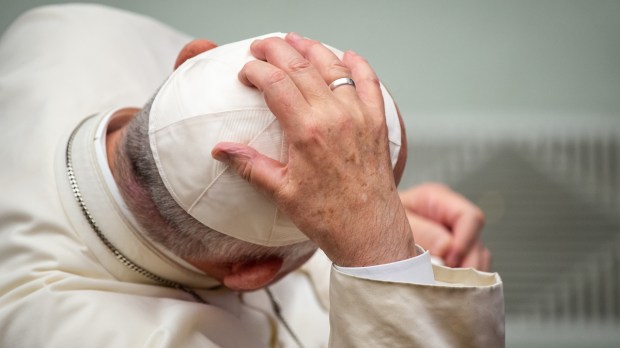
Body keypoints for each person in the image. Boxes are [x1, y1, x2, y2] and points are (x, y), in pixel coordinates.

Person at [0, 4, 502, 348]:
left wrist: (388, 224)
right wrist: (382, 257)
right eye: (362, 181)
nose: (365, 184)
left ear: (189, 62)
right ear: (250, 274)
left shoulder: (70, 31)